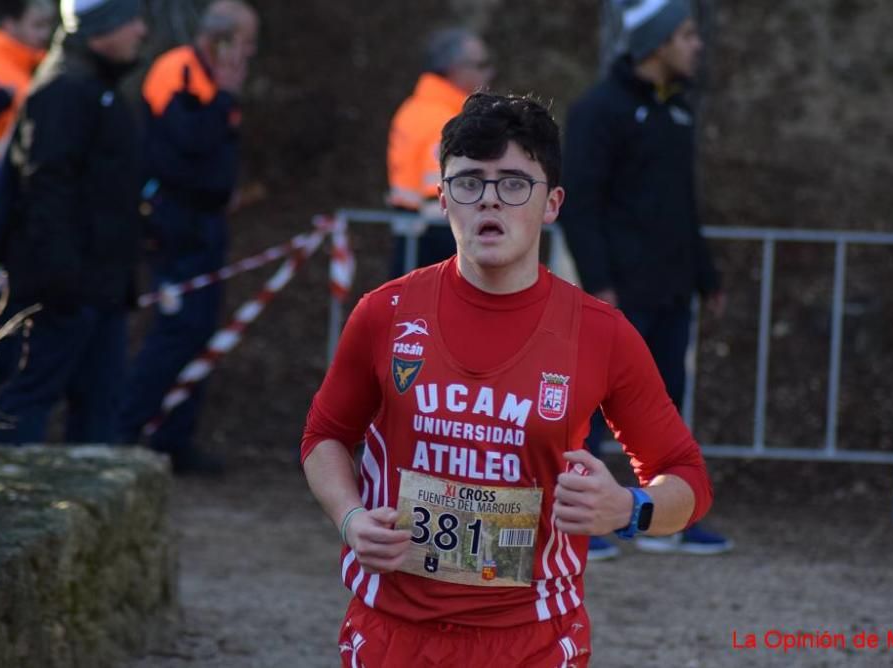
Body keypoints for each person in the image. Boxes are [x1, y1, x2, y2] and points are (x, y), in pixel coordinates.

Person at [301, 93, 714, 667]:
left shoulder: (601, 334)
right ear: (443, 199)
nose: (490, 198)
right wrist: (349, 519)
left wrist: (628, 507)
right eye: (469, 181)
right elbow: (323, 436)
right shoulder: (385, 312)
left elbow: (688, 478)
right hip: (394, 629)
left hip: (534, 640)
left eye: (514, 182)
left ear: (552, 203)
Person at [560, 0, 731, 557]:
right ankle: (585, 523)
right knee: (590, 408)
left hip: (672, 290)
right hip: (618, 291)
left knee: (666, 404)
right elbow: (580, 205)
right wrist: (599, 283)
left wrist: (707, 276)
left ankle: (661, 518)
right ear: (657, 44)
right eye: (686, 35)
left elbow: (684, 206)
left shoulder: (678, 111)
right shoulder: (598, 111)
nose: (696, 45)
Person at [0, 0, 147, 444]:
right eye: (130, 19)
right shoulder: (63, 90)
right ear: (100, 29)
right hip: (64, 294)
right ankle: (7, 511)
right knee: (23, 406)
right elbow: (45, 193)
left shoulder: (98, 87)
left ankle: (104, 512)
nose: (141, 29)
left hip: (99, 291)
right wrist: (63, 283)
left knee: (100, 408)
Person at [117, 0, 258, 474]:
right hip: (174, 223)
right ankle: (127, 431)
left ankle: (175, 437)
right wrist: (223, 97)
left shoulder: (220, 84)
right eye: (246, 41)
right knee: (173, 330)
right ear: (222, 39)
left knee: (201, 329)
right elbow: (185, 143)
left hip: (208, 222)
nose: (250, 53)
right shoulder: (176, 70)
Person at [386, 28, 493, 277]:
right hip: (436, 248)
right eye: (481, 64)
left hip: (409, 240)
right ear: (456, 69)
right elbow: (444, 201)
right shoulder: (446, 120)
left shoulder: (412, 109)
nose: (489, 72)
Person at [0, 0, 55, 281]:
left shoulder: (38, 77)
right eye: (36, 25)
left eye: (48, 26)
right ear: (9, 24)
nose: (44, 34)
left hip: (11, 211)